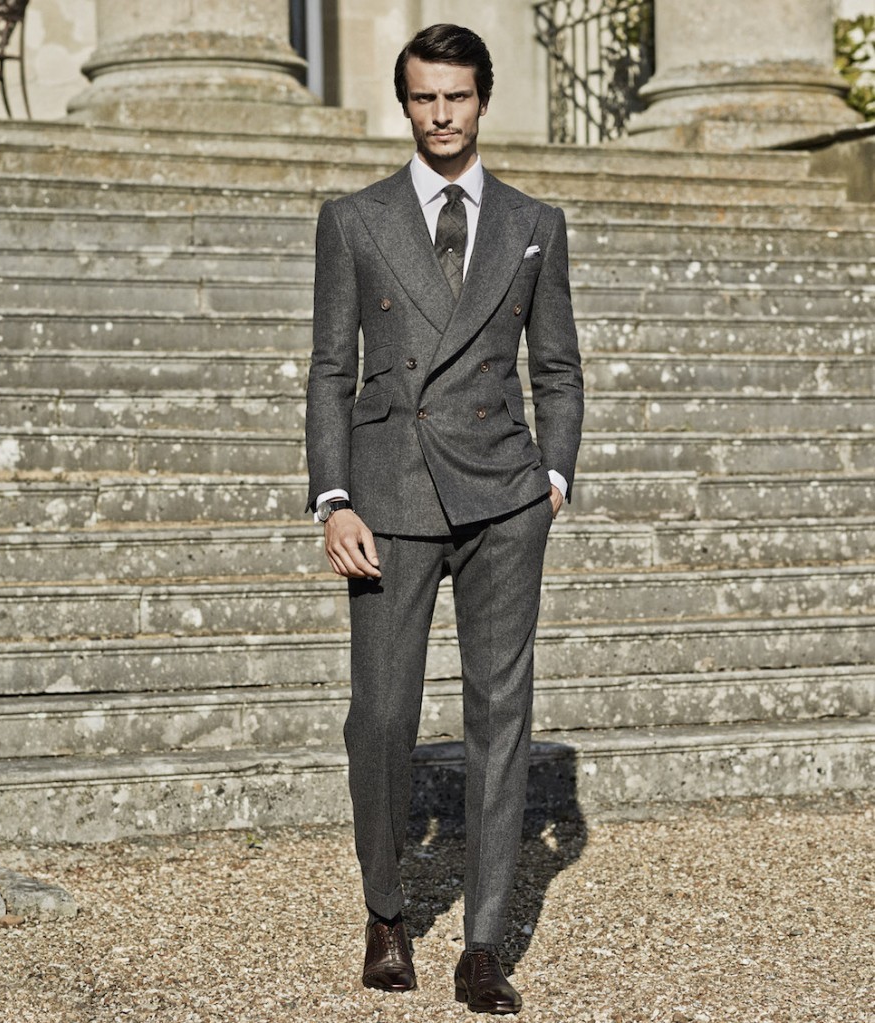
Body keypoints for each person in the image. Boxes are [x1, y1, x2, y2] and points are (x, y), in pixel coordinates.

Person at [305, 23, 583, 1015]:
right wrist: (334, 497)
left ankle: (483, 946)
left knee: (500, 721)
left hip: (505, 497)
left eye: (457, 96)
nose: (442, 114)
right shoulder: (355, 219)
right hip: (390, 494)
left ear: (482, 99)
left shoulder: (534, 220)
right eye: (424, 97)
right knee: (382, 716)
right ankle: (387, 908)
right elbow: (330, 371)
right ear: (405, 103)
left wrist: (554, 477)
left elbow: (558, 367)